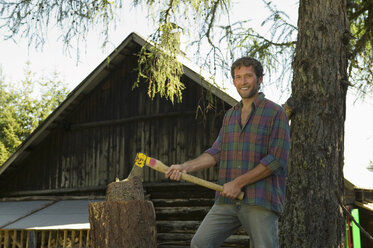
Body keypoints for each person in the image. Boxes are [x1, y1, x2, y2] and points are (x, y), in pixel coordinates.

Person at [165, 56, 290, 248]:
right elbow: (216, 152)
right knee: (200, 243)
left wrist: (238, 183)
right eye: (238, 77)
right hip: (226, 201)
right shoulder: (230, 115)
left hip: (260, 199)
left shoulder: (275, 113)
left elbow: (275, 160)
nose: (243, 82)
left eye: (248, 76)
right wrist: (184, 167)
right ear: (233, 81)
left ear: (260, 79)